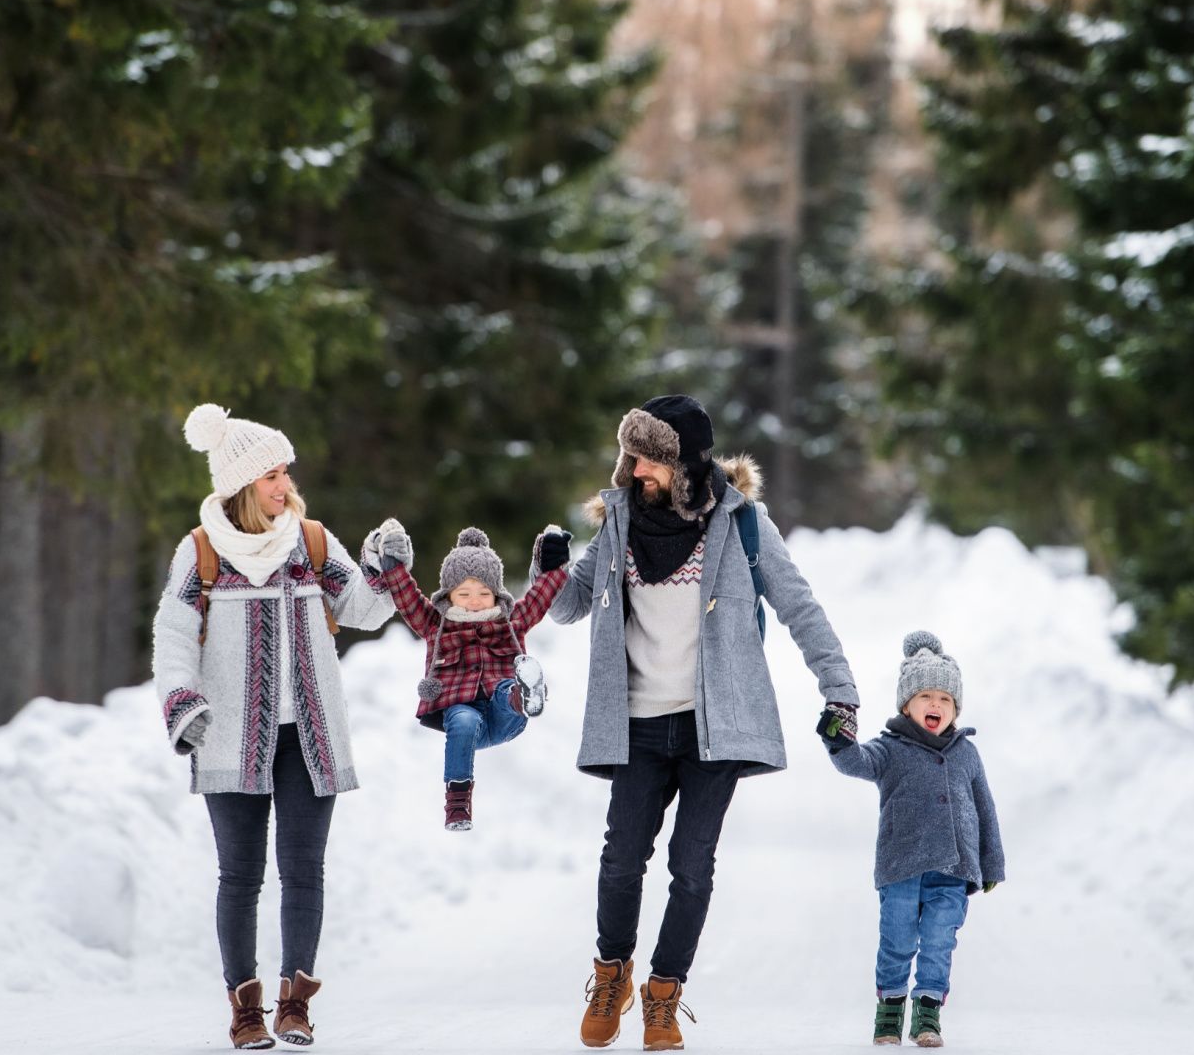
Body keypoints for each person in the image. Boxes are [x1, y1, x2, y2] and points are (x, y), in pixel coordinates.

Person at [549, 394, 862, 1050]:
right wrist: (547, 568)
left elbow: (801, 609)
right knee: (620, 860)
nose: (635, 473)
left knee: (692, 867)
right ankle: (612, 974)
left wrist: (840, 689)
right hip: (634, 722)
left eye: (649, 461)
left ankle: (664, 996)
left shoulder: (743, 524)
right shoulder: (617, 522)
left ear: (685, 463)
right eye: (631, 458)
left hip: (712, 727)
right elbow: (568, 606)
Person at [151, 403, 396, 1049]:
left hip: (307, 738)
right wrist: (182, 703)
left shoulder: (310, 543)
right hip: (229, 737)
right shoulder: (201, 553)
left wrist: (386, 565)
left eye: (285, 473)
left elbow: (364, 609)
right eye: (271, 476)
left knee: (304, 871)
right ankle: (245, 1011)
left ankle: (294, 1005)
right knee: (239, 876)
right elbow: (174, 635)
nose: (283, 485)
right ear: (240, 484)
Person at [822, 631, 1006, 1048]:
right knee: (897, 941)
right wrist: (837, 739)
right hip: (901, 866)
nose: (935, 705)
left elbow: (985, 809)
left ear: (956, 708)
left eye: (945, 699)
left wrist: (991, 863)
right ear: (906, 705)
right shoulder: (890, 749)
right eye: (925, 697)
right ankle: (888, 1012)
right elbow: (856, 762)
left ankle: (927, 1016)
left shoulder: (966, 753)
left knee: (940, 941)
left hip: (954, 869)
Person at [361, 521, 574, 829]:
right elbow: (406, 597)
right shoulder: (436, 624)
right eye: (465, 593)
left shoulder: (509, 623)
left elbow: (540, 597)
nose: (475, 602)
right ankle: (458, 805)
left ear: (496, 594)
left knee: (505, 690)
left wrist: (555, 563)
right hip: (463, 722)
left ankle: (523, 696)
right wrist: (392, 563)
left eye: (484, 593)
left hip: (505, 718)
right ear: (449, 596)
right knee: (463, 718)